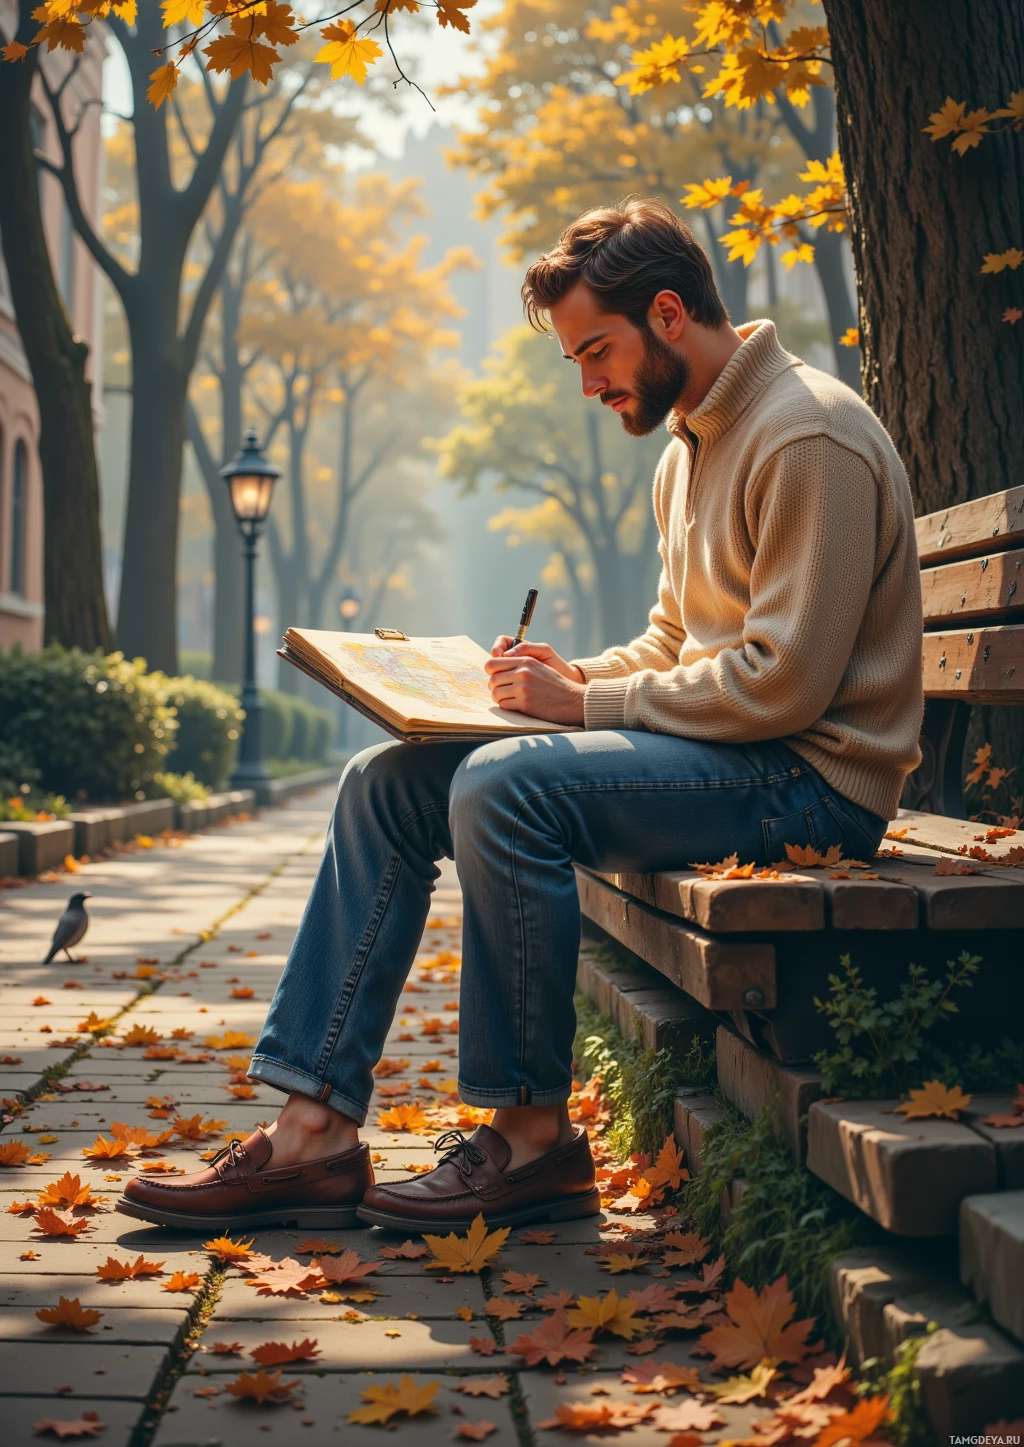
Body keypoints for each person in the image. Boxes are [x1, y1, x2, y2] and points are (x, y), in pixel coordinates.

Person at [118, 199, 924, 1234]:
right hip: (736, 758)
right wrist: (560, 675)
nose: (589, 384)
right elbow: (677, 644)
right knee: (386, 787)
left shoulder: (805, 435)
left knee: (508, 787)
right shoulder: (688, 448)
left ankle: (533, 1140)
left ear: (668, 314)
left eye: (597, 351)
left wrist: (583, 704)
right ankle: (312, 1133)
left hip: (808, 779)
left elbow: (782, 684)